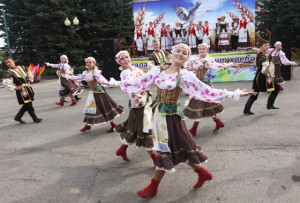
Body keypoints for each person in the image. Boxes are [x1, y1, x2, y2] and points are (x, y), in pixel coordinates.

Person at [109, 44, 256, 198]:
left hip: (172, 117)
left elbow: (206, 91)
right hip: (158, 114)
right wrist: (114, 83)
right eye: (178, 51)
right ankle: (202, 173)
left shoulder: (185, 75)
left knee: (164, 149)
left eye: (184, 53)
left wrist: (235, 93)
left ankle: (154, 186)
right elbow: (138, 82)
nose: (180, 54)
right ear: (172, 53)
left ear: (187, 57)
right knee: (180, 147)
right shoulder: (159, 70)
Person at [184, 43, 240, 135]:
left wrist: (229, 65)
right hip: (197, 84)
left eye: (203, 49)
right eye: (200, 49)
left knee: (197, 105)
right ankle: (218, 122)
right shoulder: (196, 59)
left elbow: (216, 65)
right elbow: (188, 67)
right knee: (206, 105)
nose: (201, 50)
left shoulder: (207, 60)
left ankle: (194, 128)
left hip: (203, 84)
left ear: (207, 50)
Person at [113, 50, 157, 165]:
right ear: (119, 62)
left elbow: (145, 81)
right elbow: (130, 89)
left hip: (146, 100)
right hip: (138, 103)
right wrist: (139, 99)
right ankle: (155, 159)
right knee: (145, 129)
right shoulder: (125, 73)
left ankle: (122, 149)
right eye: (122, 59)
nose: (125, 60)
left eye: (127, 57)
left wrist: (147, 89)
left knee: (135, 127)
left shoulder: (138, 70)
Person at [68, 57, 124, 132]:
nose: (88, 64)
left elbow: (101, 80)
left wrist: (109, 83)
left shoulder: (95, 72)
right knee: (91, 109)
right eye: (87, 62)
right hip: (92, 93)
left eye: (90, 62)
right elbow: (79, 77)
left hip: (99, 93)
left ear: (93, 63)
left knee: (104, 108)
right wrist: (68, 77)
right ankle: (88, 125)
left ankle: (112, 124)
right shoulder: (85, 72)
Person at [243, 40, 280, 115]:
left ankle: (269, 105)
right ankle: (268, 105)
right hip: (262, 76)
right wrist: (266, 66)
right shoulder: (262, 56)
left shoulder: (262, 54)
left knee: (275, 88)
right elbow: (264, 64)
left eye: (268, 45)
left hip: (264, 75)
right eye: (265, 45)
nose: (267, 47)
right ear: (261, 46)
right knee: (256, 93)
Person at [3, 57, 42, 124]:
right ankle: (35, 118)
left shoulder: (22, 67)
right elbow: (7, 82)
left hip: (27, 88)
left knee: (28, 103)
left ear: (13, 61)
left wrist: (29, 82)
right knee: (28, 104)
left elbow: (29, 73)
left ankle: (18, 117)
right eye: (6, 63)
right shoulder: (9, 72)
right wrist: (16, 88)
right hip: (21, 91)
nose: (8, 64)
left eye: (9, 62)